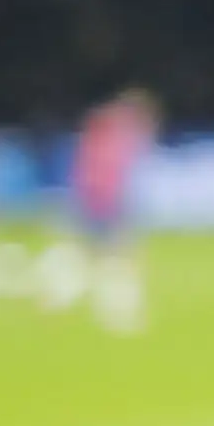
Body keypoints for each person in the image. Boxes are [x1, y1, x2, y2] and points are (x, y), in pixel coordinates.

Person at [64, 85, 157, 334]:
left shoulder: (101, 129)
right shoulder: (118, 134)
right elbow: (108, 171)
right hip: (106, 200)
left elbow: (85, 167)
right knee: (119, 257)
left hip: (93, 198)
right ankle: (118, 311)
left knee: (97, 254)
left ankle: (69, 297)